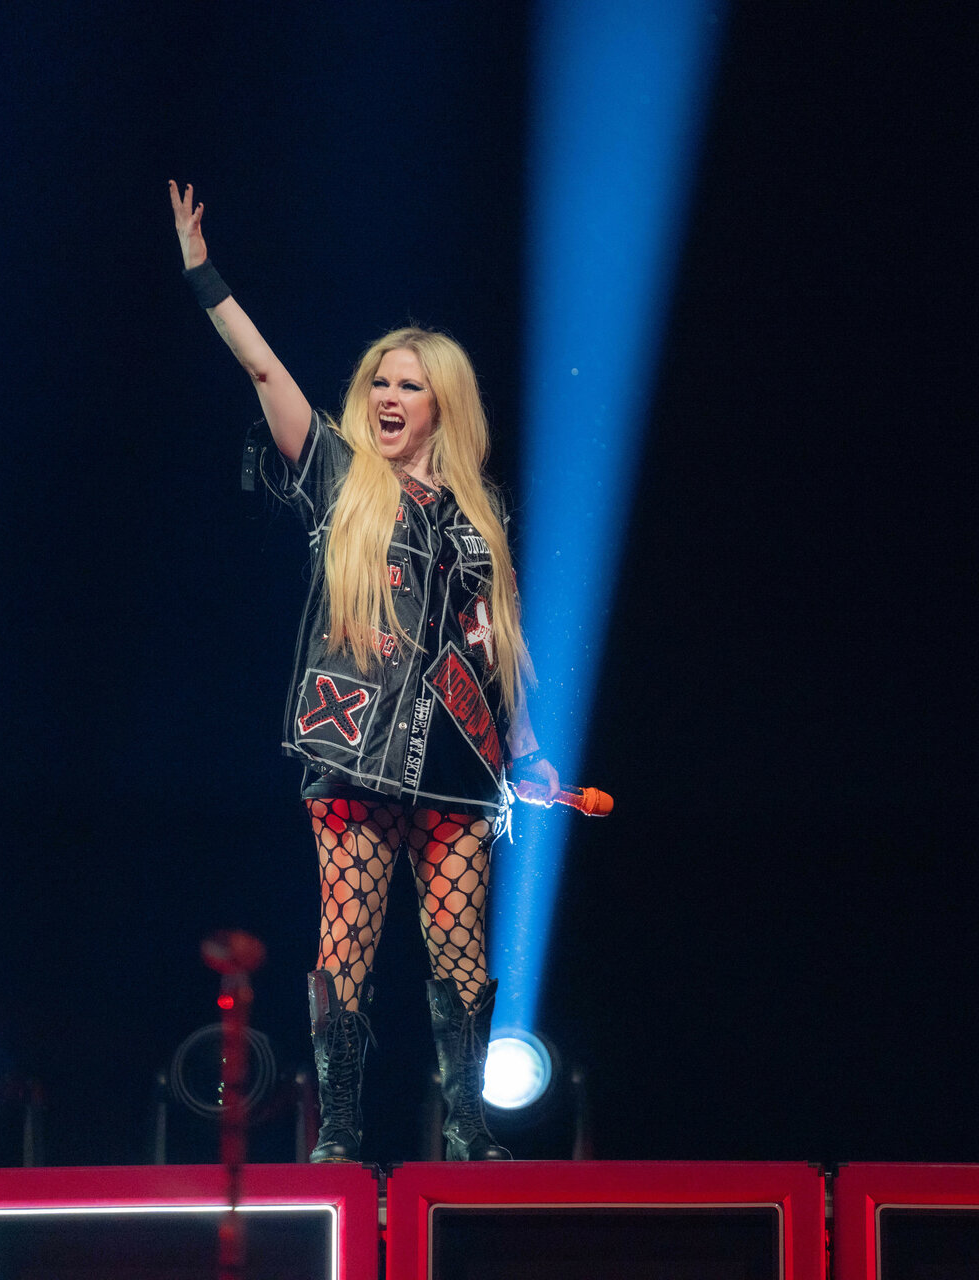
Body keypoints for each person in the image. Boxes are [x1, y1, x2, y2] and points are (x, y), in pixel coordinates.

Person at [169, 182, 561, 1163]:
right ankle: (339, 1131)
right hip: (353, 749)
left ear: (442, 404)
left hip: (460, 757)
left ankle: (467, 1128)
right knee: (347, 936)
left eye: (408, 386)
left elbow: (494, 641)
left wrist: (528, 751)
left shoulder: (481, 516)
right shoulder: (341, 476)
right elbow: (264, 370)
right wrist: (204, 275)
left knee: (460, 948)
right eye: (379, 382)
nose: (387, 397)